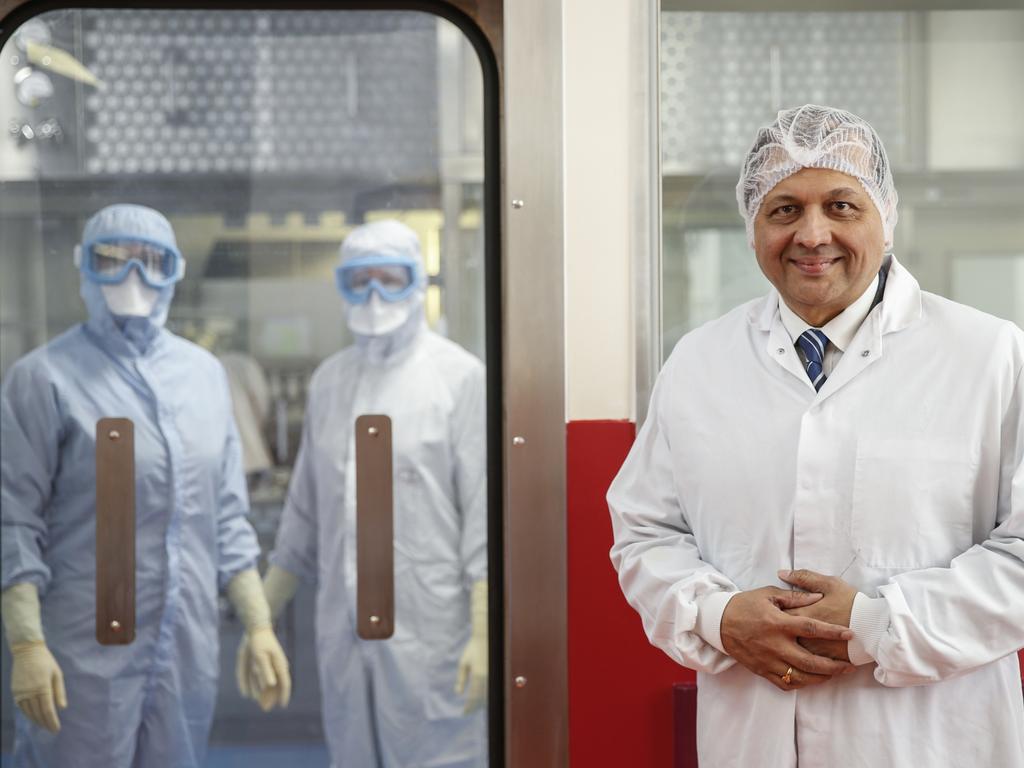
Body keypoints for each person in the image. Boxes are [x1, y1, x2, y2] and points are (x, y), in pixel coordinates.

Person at [608, 105, 1024, 766]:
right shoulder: (699, 361)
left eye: (841, 205)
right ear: (752, 228)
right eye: (783, 210)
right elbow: (644, 533)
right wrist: (715, 617)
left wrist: (878, 625)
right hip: (751, 738)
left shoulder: (991, 356)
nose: (812, 234)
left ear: (886, 220)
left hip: (931, 742)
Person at [1, 204, 290, 767]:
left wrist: (259, 626)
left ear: (175, 271)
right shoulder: (43, 378)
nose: (133, 277)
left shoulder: (205, 376)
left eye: (150, 261)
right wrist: (27, 644)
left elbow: (227, 519)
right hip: (81, 655)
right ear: (85, 269)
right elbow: (13, 520)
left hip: (185, 653)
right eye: (113, 260)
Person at [251, 219, 488, 767]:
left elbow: (482, 517)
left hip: (434, 633)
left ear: (417, 284)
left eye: (392, 278)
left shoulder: (458, 378)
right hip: (344, 630)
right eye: (361, 281)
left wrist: (483, 629)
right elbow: (303, 515)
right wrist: (261, 621)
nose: (376, 295)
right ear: (341, 286)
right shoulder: (330, 381)